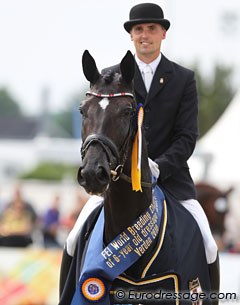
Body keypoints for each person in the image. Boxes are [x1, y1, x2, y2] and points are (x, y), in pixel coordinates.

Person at [120, 2, 219, 297]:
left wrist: (158, 165)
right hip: (122, 183)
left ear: (163, 33)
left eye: (152, 28)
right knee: (74, 238)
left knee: (208, 243)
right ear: (131, 36)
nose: (145, 35)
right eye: (139, 29)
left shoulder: (183, 79)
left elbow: (187, 137)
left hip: (173, 181)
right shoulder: (115, 76)